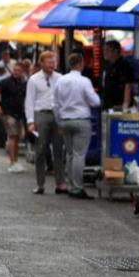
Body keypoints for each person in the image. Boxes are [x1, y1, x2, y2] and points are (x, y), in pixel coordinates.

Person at [54, 52, 100, 199]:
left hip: (65, 121)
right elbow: (95, 102)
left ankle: (70, 184)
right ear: (81, 64)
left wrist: (59, 122)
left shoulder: (60, 81)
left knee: (70, 154)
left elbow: (55, 104)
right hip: (81, 120)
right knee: (79, 155)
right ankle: (77, 188)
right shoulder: (84, 81)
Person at [25, 51, 65, 195]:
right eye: (49, 62)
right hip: (40, 115)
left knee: (59, 150)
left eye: (53, 62)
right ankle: (40, 184)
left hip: (56, 115)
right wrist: (30, 121)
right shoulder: (34, 80)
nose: (52, 65)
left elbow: (63, 99)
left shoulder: (60, 78)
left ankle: (60, 183)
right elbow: (29, 101)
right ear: (41, 63)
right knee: (40, 150)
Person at [0, 62, 28, 173]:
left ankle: (15, 161)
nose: (17, 72)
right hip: (8, 113)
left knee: (17, 137)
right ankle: (12, 162)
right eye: (15, 70)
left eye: (19, 70)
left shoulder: (23, 83)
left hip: (19, 114)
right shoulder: (6, 82)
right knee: (13, 136)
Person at [101, 40, 134, 111]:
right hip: (107, 103)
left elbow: (127, 85)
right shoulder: (106, 65)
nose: (104, 53)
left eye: (107, 50)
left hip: (118, 104)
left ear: (115, 51)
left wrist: (125, 104)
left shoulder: (124, 65)